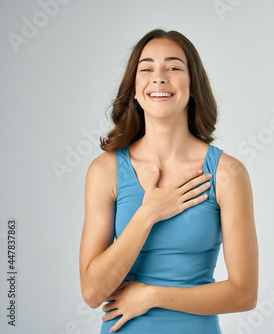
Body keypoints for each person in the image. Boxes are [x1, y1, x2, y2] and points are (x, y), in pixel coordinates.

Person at [79, 29, 258, 333]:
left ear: (193, 87)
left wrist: (152, 297)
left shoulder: (227, 173)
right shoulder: (105, 170)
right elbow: (93, 292)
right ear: (134, 90)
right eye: (146, 69)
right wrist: (149, 212)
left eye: (174, 68)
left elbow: (244, 293)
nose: (159, 77)